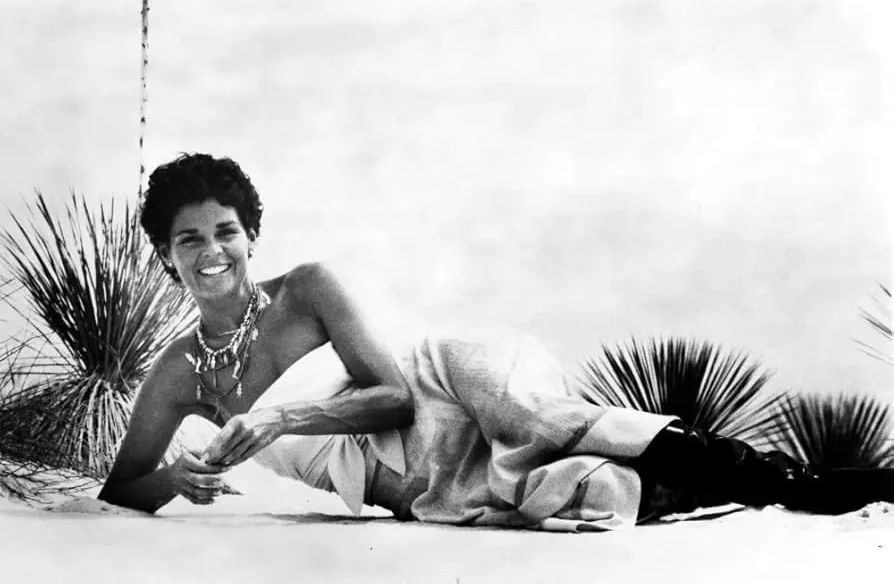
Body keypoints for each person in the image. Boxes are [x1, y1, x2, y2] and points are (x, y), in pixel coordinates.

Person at [98, 152, 892, 531]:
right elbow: (122, 486)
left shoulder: (307, 288)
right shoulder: (177, 373)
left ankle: (802, 481)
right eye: (189, 238)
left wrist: (278, 418)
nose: (213, 252)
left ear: (251, 236)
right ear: (165, 255)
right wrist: (177, 476)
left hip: (442, 378)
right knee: (563, 490)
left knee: (541, 419)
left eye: (227, 231)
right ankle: (764, 489)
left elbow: (393, 394)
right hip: (390, 471)